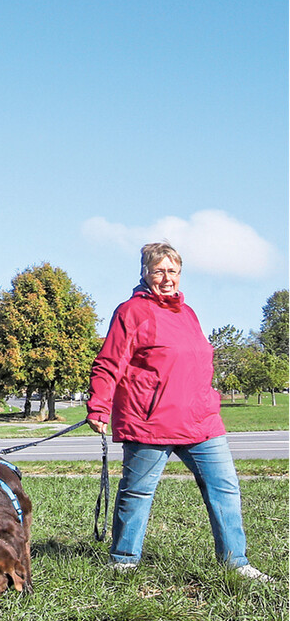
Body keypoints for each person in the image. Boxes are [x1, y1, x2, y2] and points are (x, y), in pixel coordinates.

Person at [87, 242, 271, 580]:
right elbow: (109, 362)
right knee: (138, 491)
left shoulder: (187, 313)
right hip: (150, 420)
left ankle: (236, 562)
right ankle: (124, 560)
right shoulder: (131, 312)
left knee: (225, 486)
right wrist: (99, 405)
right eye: (159, 270)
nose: (167, 278)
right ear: (144, 273)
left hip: (201, 420)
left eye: (173, 271)